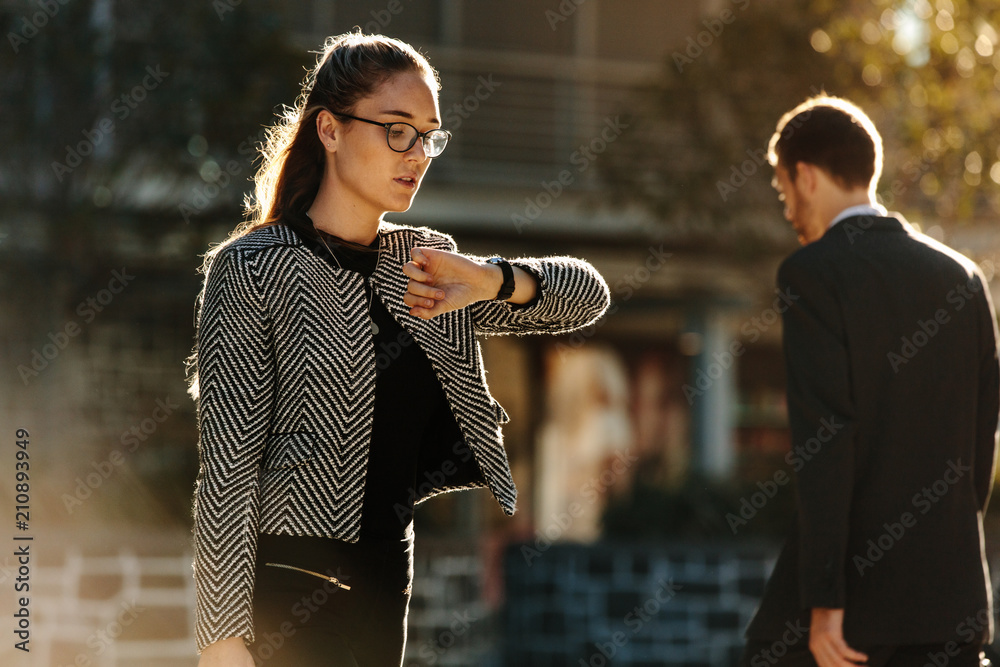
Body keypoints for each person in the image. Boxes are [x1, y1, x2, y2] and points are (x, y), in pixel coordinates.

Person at [186, 31, 610, 667]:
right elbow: (228, 467)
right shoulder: (252, 268)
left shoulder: (424, 264)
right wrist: (221, 639)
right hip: (288, 581)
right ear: (329, 130)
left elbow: (588, 296)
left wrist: (489, 278)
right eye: (397, 130)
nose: (417, 154)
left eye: (429, 135)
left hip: (388, 581)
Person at [741, 94, 999, 667]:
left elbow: (826, 439)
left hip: (849, 618)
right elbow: (981, 445)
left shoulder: (811, 274)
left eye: (783, 191)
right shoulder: (963, 277)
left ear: (804, 176)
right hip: (948, 609)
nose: (787, 212)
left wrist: (825, 602)